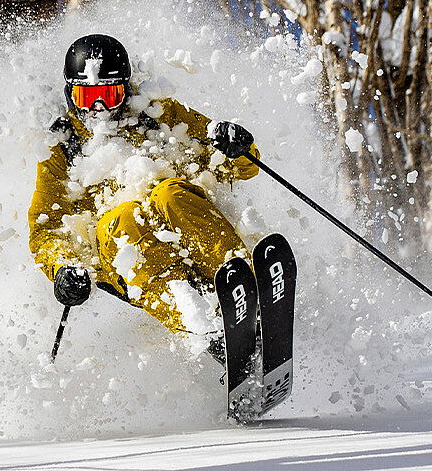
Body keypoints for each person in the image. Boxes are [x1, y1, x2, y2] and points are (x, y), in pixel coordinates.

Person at [29, 34, 259, 334]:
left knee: (169, 194)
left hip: (185, 226)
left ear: (125, 90)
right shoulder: (62, 147)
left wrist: (237, 147)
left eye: (108, 96)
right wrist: (63, 269)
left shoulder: (157, 114)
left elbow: (239, 168)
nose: (98, 109)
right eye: (86, 98)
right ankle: (201, 325)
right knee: (122, 219)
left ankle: (243, 285)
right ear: (70, 95)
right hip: (121, 251)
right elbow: (47, 225)